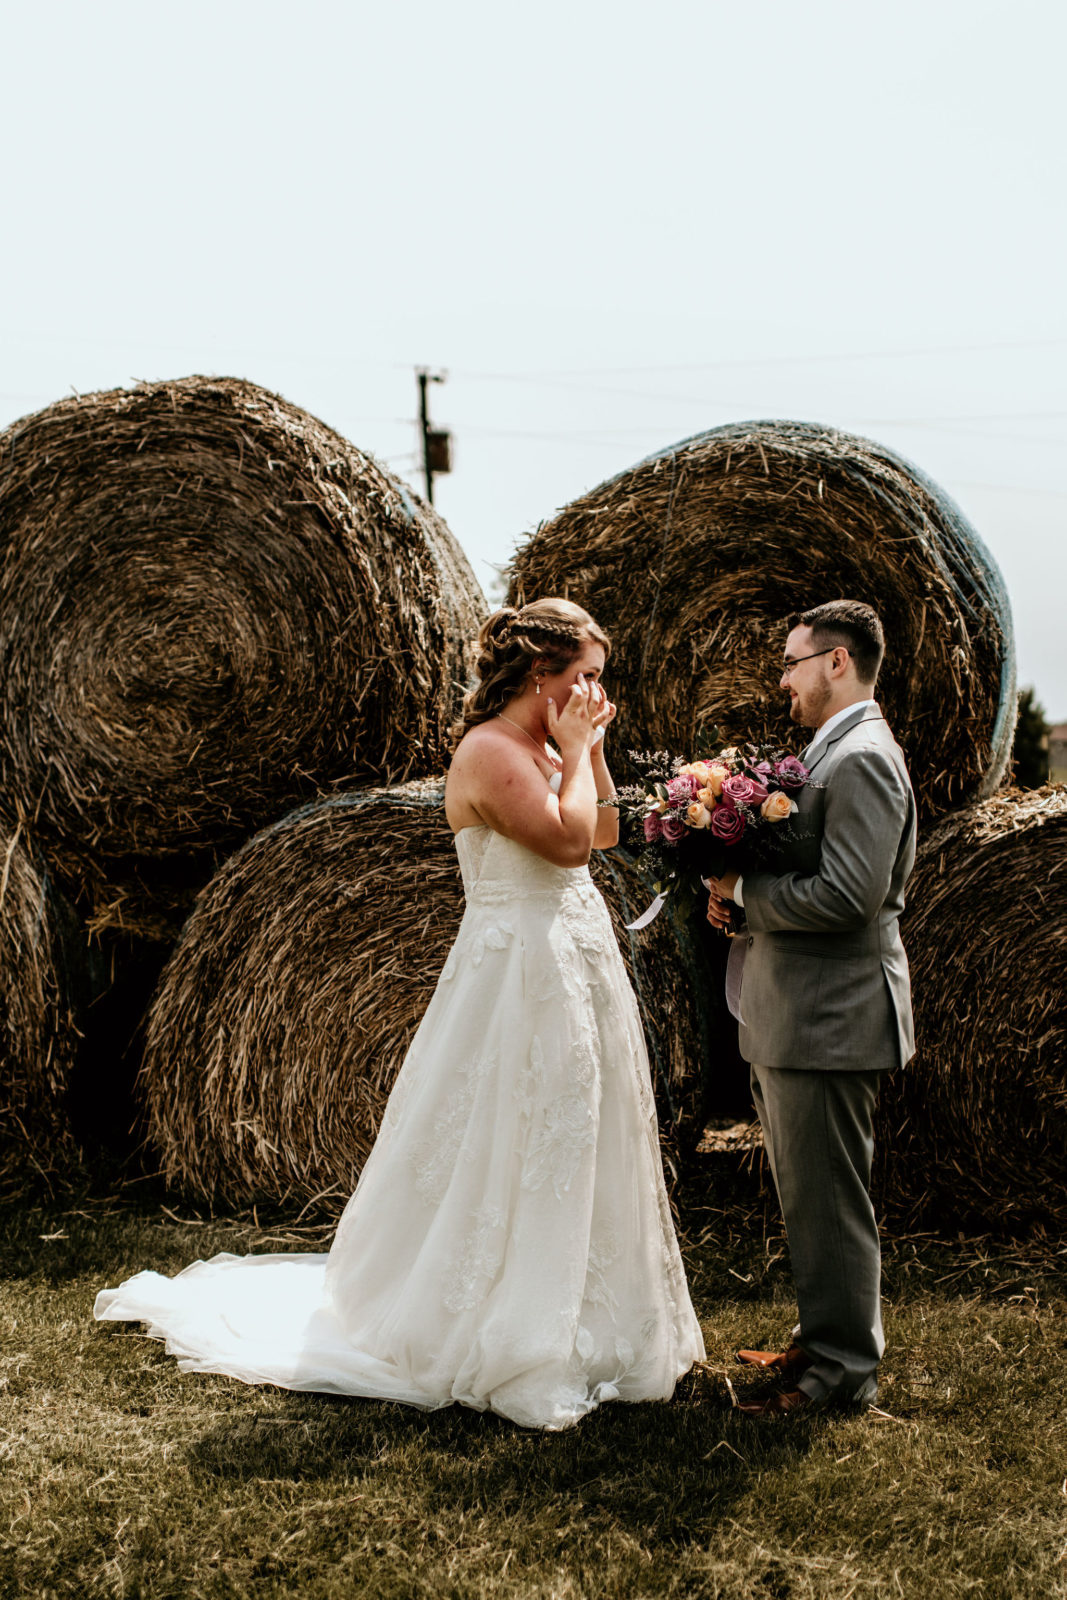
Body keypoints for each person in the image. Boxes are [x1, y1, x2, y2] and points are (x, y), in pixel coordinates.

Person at [95, 598, 705, 1431]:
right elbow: (562, 846)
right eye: (584, 676)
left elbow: (599, 836)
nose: (596, 692)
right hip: (518, 965)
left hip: (573, 951)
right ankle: (498, 1321)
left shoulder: (545, 744)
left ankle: (586, 1315)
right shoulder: (491, 752)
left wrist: (586, 751)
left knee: (575, 1124)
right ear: (539, 675)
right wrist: (574, 748)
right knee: (513, 1128)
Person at [706, 599, 916, 1417]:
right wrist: (741, 904)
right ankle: (822, 1337)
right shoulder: (828, 749)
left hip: (829, 1018)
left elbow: (850, 895)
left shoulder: (861, 757)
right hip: (797, 1011)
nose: (781, 679)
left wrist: (745, 889)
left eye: (791, 663)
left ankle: (839, 1373)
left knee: (830, 1200)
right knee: (810, 1195)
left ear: (836, 662)